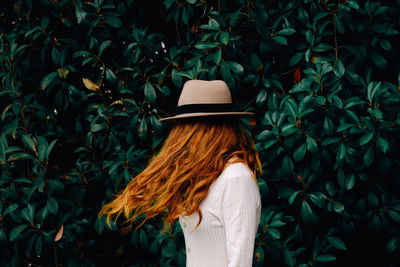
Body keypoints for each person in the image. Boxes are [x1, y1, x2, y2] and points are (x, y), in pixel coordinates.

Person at [99, 80, 262, 267]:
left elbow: (240, 263)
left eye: (185, 128)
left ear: (201, 131)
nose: (178, 138)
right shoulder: (207, 175)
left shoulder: (236, 178)